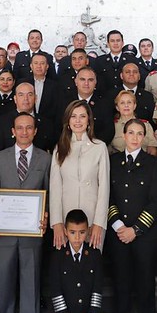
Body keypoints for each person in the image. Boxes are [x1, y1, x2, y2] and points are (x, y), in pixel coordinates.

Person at [0, 113, 51, 313]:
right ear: (12, 130)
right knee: (4, 287)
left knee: (31, 288)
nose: (24, 132)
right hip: (3, 234)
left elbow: (49, 194)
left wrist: (47, 214)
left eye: (28, 128)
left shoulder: (45, 159)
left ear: (35, 131)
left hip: (32, 234)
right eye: (19, 128)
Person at [107, 119, 157, 313]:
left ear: (144, 137)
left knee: (145, 291)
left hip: (145, 238)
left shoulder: (154, 163)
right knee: (121, 290)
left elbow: (156, 201)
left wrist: (136, 229)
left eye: (140, 133)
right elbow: (108, 196)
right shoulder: (112, 161)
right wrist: (119, 226)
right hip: (118, 235)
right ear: (123, 134)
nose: (135, 137)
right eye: (131, 132)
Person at [50, 100, 111, 250]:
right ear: (68, 121)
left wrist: (99, 223)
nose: (78, 121)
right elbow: (55, 188)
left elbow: (104, 188)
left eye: (82, 116)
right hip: (66, 219)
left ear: (89, 121)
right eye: (73, 116)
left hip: (92, 218)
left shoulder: (99, 147)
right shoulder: (60, 148)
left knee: (90, 264)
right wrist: (57, 222)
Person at [49, 209, 104, 313]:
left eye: (82, 232)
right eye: (73, 232)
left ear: (88, 231)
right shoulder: (58, 256)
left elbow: (97, 289)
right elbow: (56, 290)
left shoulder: (94, 254)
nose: (77, 238)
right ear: (65, 231)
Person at [0, 82, 57, 153]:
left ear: (35, 98)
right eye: (21, 95)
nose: (26, 98)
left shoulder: (47, 124)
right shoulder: (0, 123)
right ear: (15, 99)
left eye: (30, 95)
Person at [110, 90, 157, 155]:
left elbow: (152, 150)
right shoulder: (112, 126)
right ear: (117, 107)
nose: (126, 105)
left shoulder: (146, 125)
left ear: (134, 106)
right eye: (122, 103)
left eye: (129, 102)